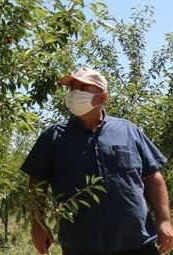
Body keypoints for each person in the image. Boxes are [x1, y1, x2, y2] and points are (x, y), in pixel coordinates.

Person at [22, 68, 173, 255]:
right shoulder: (53, 137)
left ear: (102, 98)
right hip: (81, 245)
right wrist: (38, 224)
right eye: (72, 87)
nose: (74, 92)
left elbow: (153, 177)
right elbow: (36, 184)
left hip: (137, 241)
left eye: (83, 87)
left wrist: (164, 220)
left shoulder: (129, 131)